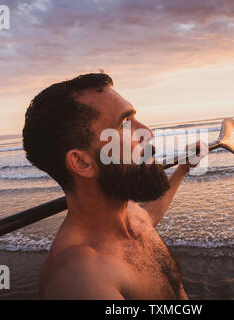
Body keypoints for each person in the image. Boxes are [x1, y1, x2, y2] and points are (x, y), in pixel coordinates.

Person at [23, 73, 207, 299]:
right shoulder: (82, 278)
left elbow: (148, 217)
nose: (147, 133)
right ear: (82, 162)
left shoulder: (127, 212)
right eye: (125, 124)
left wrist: (183, 169)